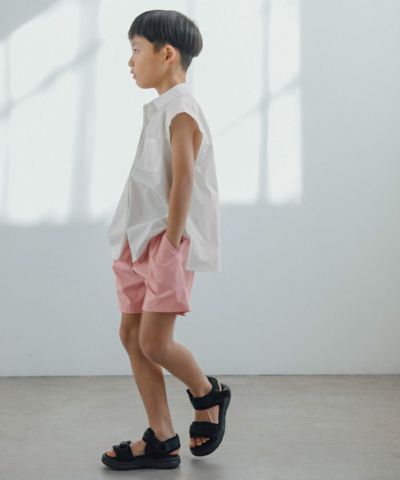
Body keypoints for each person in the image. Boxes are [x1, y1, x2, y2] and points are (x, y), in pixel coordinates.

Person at [101, 9, 231, 471]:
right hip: (137, 238)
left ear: (167, 53)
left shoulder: (181, 109)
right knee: (131, 335)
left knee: (155, 342)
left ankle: (207, 392)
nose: (130, 61)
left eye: (136, 50)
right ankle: (162, 437)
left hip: (164, 242)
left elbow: (183, 183)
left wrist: (171, 247)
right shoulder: (161, 108)